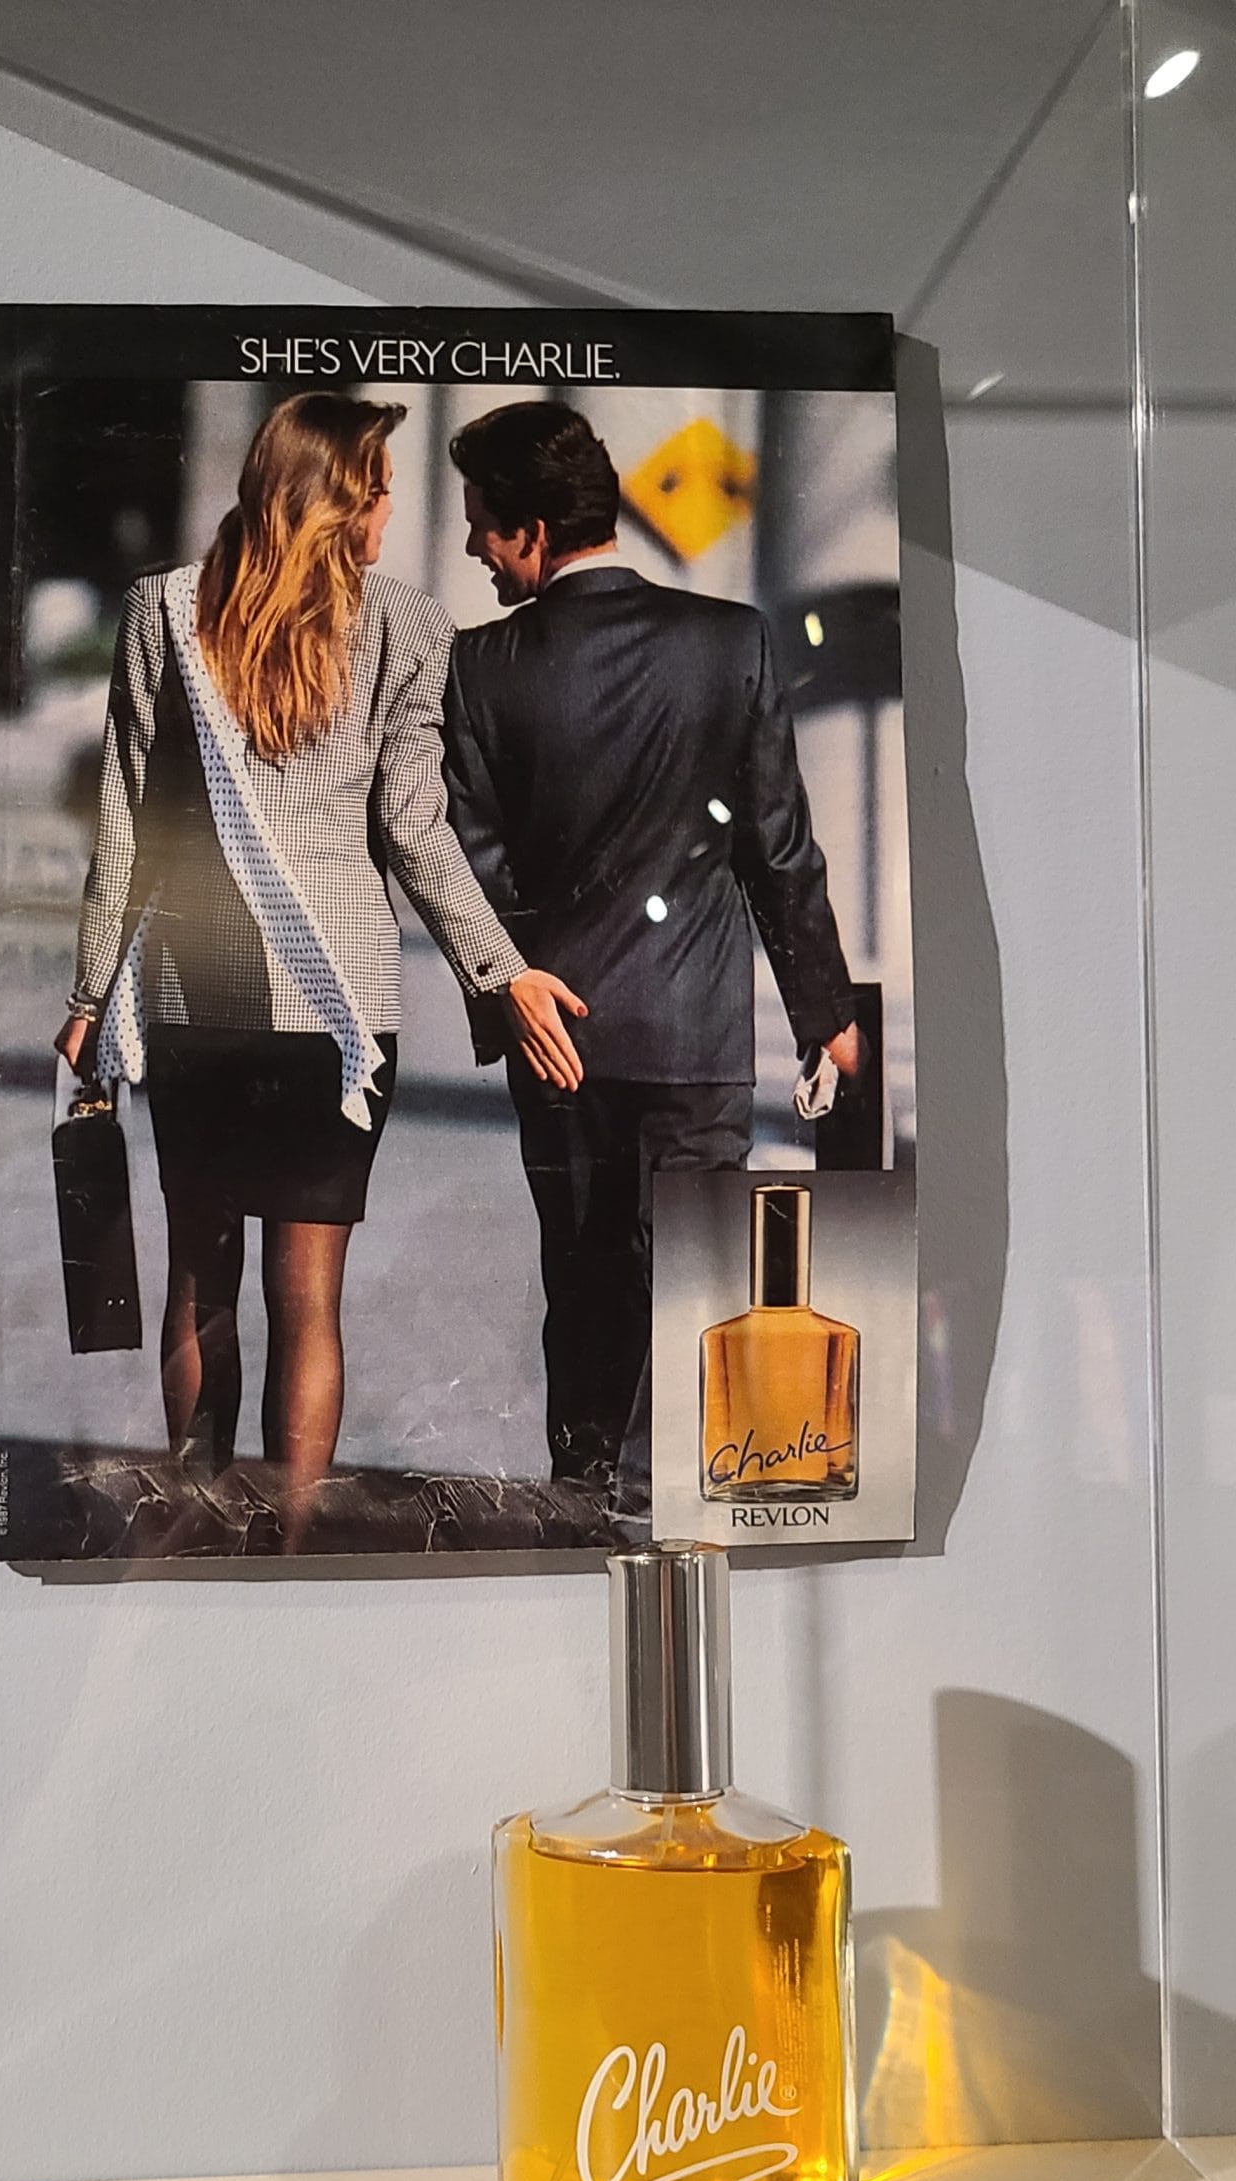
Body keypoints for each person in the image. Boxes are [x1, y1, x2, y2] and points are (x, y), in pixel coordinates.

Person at [56, 392, 584, 1541]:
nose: (393, 510)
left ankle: (197, 1527)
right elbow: (416, 830)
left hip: (195, 997)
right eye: (381, 490)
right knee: (310, 1305)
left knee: (200, 1281)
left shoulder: (164, 611)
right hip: (338, 1019)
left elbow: (127, 824)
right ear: (338, 501)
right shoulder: (408, 627)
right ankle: (291, 1543)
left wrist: (91, 993)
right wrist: (501, 970)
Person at [441, 400, 861, 1518]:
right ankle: (671, 1497)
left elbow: (475, 863)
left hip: (556, 1041)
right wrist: (824, 1013)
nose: (473, 546)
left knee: (582, 1288)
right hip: (694, 1037)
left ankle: (584, 1499)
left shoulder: (480, 666)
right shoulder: (733, 642)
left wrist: (510, 996)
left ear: (535, 531)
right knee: (698, 1281)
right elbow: (777, 845)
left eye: (483, 523)